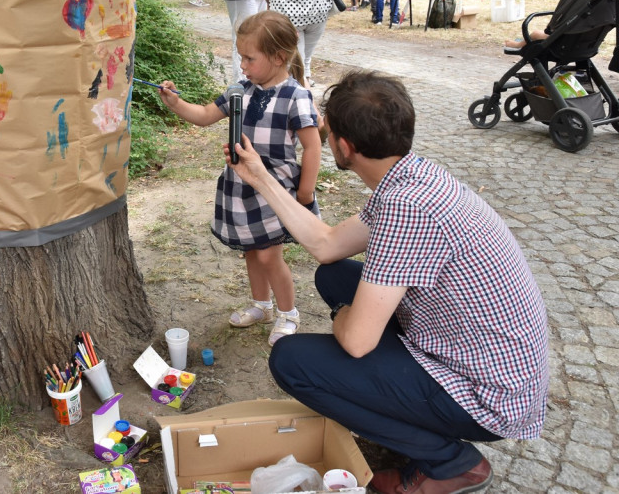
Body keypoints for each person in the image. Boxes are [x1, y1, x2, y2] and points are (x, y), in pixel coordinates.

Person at [226, 70, 549, 494]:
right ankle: (402, 401)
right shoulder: (412, 177)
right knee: (335, 274)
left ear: (344, 146)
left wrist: (347, 314)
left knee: (291, 361)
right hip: (478, 355)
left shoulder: (406, 209)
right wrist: (260, 177)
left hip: (486, 396)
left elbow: (357, 341)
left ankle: (451, 463)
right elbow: (326, 245)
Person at [157, 11, 322, 346]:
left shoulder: (295, 96)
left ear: (278, 58)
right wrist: (175, 103)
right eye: (240, 56)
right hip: (241, 186)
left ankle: (288, 313)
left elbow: (313, 145)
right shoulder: (239, 91)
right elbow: (204, 116)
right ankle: (261, 305)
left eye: (249, 58)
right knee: (251, 250)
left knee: (267, 255)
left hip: (274, 190)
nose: (243, 65)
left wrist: (305, 195)